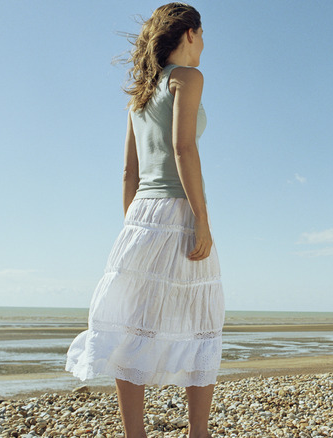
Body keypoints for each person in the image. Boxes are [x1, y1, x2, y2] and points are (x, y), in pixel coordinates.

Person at [65, 4, 223, 437]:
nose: (205, 44)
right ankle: (198, 433)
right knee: (199, 321)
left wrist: (134, 229)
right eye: (204, 35)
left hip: (139, 217)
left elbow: (128, 174)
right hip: (179, 208)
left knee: (134, 325)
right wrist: (202, 219)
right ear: (189, 33)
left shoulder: (140, 93)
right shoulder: (187, 79)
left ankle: (134, 433)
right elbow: (183, 149)